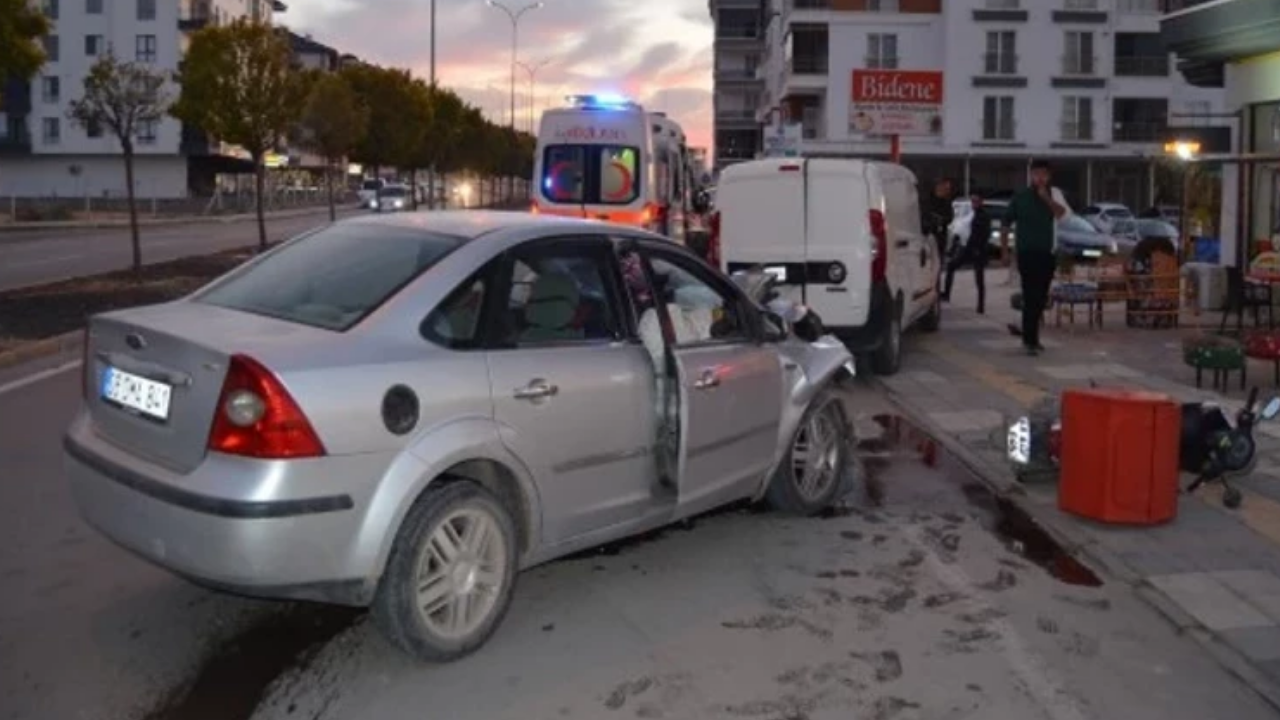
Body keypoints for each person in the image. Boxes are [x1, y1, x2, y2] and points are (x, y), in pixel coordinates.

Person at [1002, 160, 1072, 355]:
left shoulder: (1054, 195)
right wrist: (1005, 251)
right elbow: (1006, 223)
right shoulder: (1021, 197)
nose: (1040, 178)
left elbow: (1062, 215)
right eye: (1036, 174)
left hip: (1047, 253)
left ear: (1049, 177)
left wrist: (1046, 199)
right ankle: (1029, 340)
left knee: (1040, 298)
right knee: (1030, 295)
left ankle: (1033, 338)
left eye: (1043, 174)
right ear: (1031, 175)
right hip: (1026, 253)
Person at [942, 192, 990, 314]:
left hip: (978, 250)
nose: (974, 204)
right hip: (968, 248)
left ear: (981, 202)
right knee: (951, 266)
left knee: (979, 279)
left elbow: (984, 234)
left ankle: (981, 306)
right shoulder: (971, 214)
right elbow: (961, 230)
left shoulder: (983, 216)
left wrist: (979, 249)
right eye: (972, 201)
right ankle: (946, 294)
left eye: (976, 201)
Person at [924, 179, 955, 279]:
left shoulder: (946, 202)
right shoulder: (929, 201)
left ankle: (936, 286)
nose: (947, 191)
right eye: (945, 189)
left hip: (941, 236)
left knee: (938, 263)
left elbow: (949, 217)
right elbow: (925, 215)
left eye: (948, 189)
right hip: (929, 234)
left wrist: (942, 220)